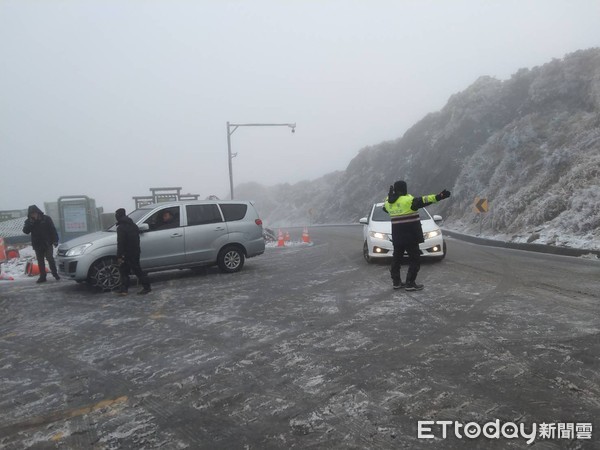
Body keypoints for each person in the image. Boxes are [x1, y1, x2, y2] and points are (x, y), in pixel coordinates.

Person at [384, 181, 451, 291]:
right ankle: (410, 283)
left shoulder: (388, 203)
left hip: (397, 237)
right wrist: (440, 196)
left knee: (396, 260)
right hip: (411, 236)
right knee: (414, 260)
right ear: (405, 189)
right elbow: (425, 200)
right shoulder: (409, 201)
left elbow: (385, 208)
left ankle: (396, 282)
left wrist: (390, 196)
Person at [115, 208, 151, 295]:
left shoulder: (121, 228)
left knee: (126, 271)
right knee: (134, 269)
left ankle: (145, 287)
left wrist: (119, 255)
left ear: (118, 216)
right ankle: (125, 289)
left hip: (127, 253)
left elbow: (121, 243)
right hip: (135, 251)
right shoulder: (133, 225)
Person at [22, 205, 60, 283]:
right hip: (37, 244)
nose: (33, 215)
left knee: (50, 258)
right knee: (40, 261)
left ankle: (55, 274)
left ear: (38, 212)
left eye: (34, 213)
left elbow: (52, 229)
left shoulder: (46, 219)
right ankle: (43, 276)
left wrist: (55, 240)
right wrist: (30, 223)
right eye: (31, 214)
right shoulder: (28, 221)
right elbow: (26, 231)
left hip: (47, 242)